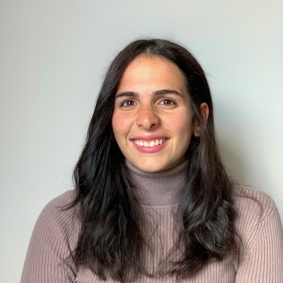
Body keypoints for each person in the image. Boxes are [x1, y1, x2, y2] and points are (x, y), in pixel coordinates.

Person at [21, 39, 283, 283]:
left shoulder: (253, 217)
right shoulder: (61, 220)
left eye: (166, 101)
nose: (147, 120)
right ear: (109, 118)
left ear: (199, 120)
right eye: (128, 102)